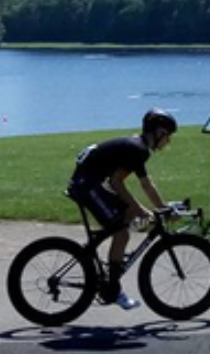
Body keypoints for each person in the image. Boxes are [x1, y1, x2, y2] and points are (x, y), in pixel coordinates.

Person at [67, 108, 177, 310]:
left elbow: (144, 183)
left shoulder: (137, 146)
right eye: (168, 136)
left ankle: (112, 267)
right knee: (122, 233)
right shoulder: (138, 149)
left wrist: (159, 208)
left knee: (127, 217)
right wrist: (143, 210)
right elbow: (118, 183)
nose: (168, 141)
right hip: (87, 185)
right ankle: (114, 289)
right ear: (159, 132)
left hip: (91, 182)